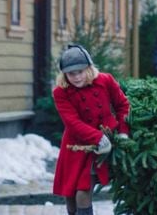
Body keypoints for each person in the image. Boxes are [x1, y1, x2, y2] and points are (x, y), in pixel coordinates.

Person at [52, 44, 130, 215]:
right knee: (70, 194)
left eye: (80, 71)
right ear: (64, 74)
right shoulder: (60, 92)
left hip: (103, 144)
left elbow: (123, 105)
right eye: (71, 74)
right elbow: (72, 122)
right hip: (76, 145)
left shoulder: (105, 80)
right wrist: (96, 137)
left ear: (89, 68)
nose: (76, 77)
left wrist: (123, 132)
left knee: (83, 189)